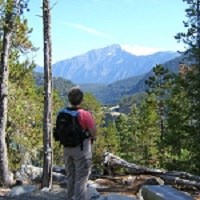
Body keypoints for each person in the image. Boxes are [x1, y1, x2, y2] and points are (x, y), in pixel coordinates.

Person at [63, 87, 97, 200]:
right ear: (81, 100)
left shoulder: (62, 113)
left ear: (69, 100)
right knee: (81, 179)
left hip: (67, 149)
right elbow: (93, 132)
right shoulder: (85, 114)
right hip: (82, 150)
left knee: (70, 176)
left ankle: (70, 197)